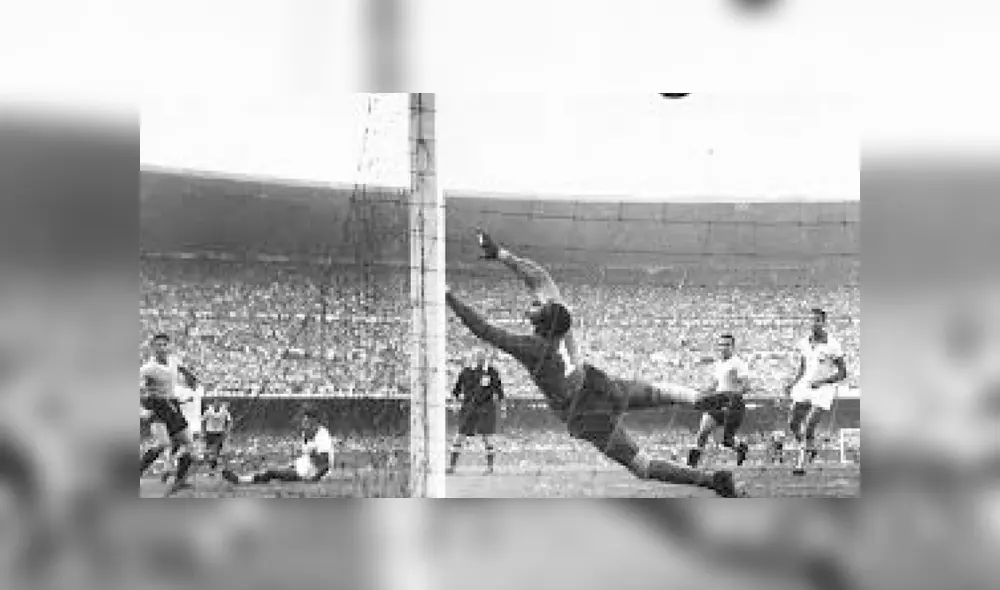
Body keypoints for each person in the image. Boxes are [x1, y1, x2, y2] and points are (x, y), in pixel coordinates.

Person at [444, 230, 743, 497]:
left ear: (541, 324)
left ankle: (711, 481)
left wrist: (449, 297)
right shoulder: (562, 323)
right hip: (598, 383)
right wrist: (501, 255)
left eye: (537, 307)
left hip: (585, 413)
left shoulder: (534, 348)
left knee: (640, 465)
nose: (535, 304)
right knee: (659, 393)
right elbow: (540, 278)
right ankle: (701, 400)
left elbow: (484, 330)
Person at [785, 308, 847, 475]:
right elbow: (803, 367)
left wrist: (822, 381)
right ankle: (809, 447)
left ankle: (800, 465)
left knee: (810, 423)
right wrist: (792, 383)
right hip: (805, 385)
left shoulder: (832, 345)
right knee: (793, 423)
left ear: (823, 322)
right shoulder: (804, 342)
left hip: (824, 388)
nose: (814, 323)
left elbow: (843, 373)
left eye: (818, 320)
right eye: (811, 320)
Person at [139, 333, 199, 496]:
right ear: (152, 348)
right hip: (157, 406)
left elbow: (180, 368)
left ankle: (179, 481)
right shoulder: (148, 368)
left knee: (190, 446)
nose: (162, 348)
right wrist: (142, 409)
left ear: (169, 346)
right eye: (158, 345)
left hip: (173, 406)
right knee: (162, 444)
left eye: (164, 345)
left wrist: (190, 376)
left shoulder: (173, 360)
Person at [222, 407, 332, 485]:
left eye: (306, 420)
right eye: (304, 420)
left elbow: (325, 465)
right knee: (271, 469)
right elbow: (308, 455)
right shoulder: (305, 433)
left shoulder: (322, 436)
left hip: (310, 472)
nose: (303, 422)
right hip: (304, 466)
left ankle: (241, 480)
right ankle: (242, 478)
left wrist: (314, 480)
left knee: (272, 472)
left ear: (315, 421)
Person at [688, 333, 751, 468]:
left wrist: (731, 395)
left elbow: (746, 386)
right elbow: (716, 383)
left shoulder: (738, 364)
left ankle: (740, 447)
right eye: (721, 344)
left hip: (732, 405)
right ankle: (691, 466)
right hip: (718, 403)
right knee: (703, 432)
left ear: (733, 347)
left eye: (727, 345)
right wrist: (702, 392)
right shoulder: (719, 364)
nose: (724, 347)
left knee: (725, 440)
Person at [448, 350, 505, 475]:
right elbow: (456, 391)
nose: (479, 359)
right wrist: (454, 403)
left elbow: (500, 392)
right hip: (468, 408)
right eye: (476, 357)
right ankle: (451, 466)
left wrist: (502, 407)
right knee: (459, 437)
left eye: (482, 357)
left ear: (485, 358)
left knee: (487, 438)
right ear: (472, 358)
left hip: (486, 409)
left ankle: (490, 468)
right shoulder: (465, 372)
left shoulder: (492, 372)